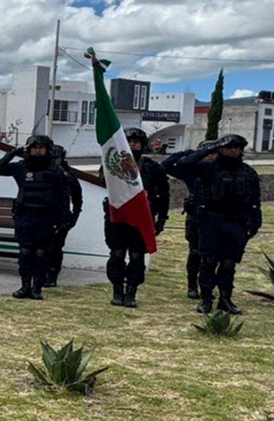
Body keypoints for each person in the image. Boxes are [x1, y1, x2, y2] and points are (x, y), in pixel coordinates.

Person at [170, 134, 261, 315]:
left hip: (237, 222)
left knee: (228, 264)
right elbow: (184, 164)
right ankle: (205, 299)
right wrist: (211, 148)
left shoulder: (248, 172)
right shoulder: (208, 168)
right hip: (211, 220)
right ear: (221, 149)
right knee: (208, 261)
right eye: (229, 147)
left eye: (237, 147)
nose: (233, 150)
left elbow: (255, 200)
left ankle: (225, 299)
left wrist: (255, 222)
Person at [0, 133, 69, 300]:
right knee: (25, 252)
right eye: (34, 148)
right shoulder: (21, 167)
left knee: (41, 253)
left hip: (46, 218)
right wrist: (13, 152)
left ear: (47, 150)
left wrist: (62, 221)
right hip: (25, 216)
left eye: (41, 148)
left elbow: (64, 197)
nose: (38, 151)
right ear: (29, 149)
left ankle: (37, 288)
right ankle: (25, 286)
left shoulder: (56, 170)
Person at [100, 127, 170, 308]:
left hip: (142, 219)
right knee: (116, 255)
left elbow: (164, 194)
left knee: (137, 257)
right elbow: (102, 183)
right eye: (129, 142)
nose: (132, 145)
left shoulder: (152, 168)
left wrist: (161, 219)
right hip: (118, 218)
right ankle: (117, 290)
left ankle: (131, 292)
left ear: (142, 145)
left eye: (136, 142)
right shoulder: (111, 164)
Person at [165, 140, 216, 299]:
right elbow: (166, 165)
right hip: (196, 215)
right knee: (195, 252)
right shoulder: (191, 172)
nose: (209, 158)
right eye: (205, 154)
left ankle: (208, 286)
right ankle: (192, 285)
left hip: (216, 216)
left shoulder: (220, 170)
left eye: (212, 154)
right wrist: (187, 153)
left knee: (213, 255)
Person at [44, 144, 82, 288]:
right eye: (51, 158)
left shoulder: (69, 175)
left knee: (55, 247)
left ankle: (53, 275)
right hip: (43, 214)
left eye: (57, 158)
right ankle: (41, 273)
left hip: (61, 216)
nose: (54, 161)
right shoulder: (42, 171)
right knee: (42, 247)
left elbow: (77, 198)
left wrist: (75, 217)